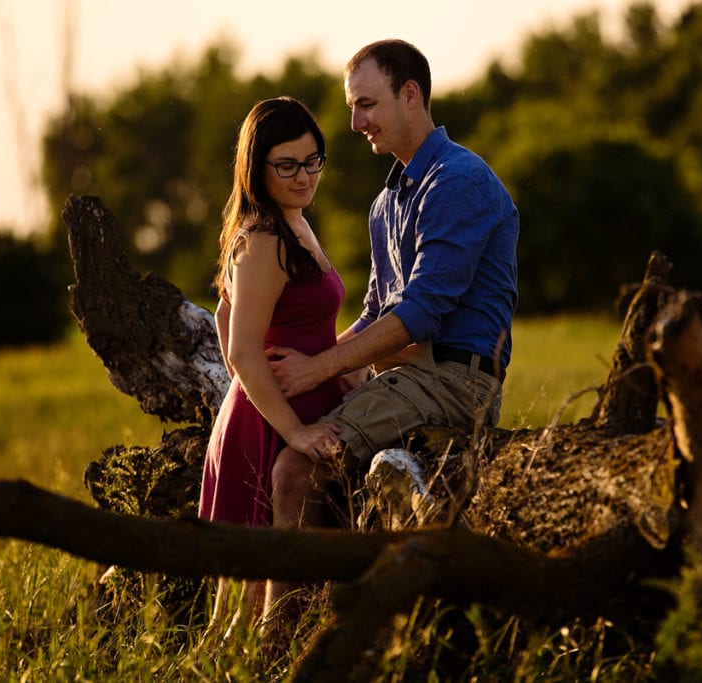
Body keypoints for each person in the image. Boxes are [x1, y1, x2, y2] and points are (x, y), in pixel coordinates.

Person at [262, 38, 519, 634]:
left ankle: (279, 645)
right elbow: (379, 309)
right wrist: (301, 368)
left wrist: (320, 367)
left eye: (367, 104)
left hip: (454, 381)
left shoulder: (460, 180)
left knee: (296, 472)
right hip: (403, 376)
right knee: (294, 443)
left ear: (411, 94)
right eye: (352, 107)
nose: (355, 123)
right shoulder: (386, 203)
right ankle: (330, 621)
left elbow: (424, 311)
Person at [197, 96, 348, 645]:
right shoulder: (264, 239)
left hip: (278, 407)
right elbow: (238, 351)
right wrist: (294, 429)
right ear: (256, 169)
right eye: (286, 165)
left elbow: (223, 314)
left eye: (313, 161)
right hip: (269, 425)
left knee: (255, 599)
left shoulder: (294, 223)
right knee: (240, 611)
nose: (304, 176)